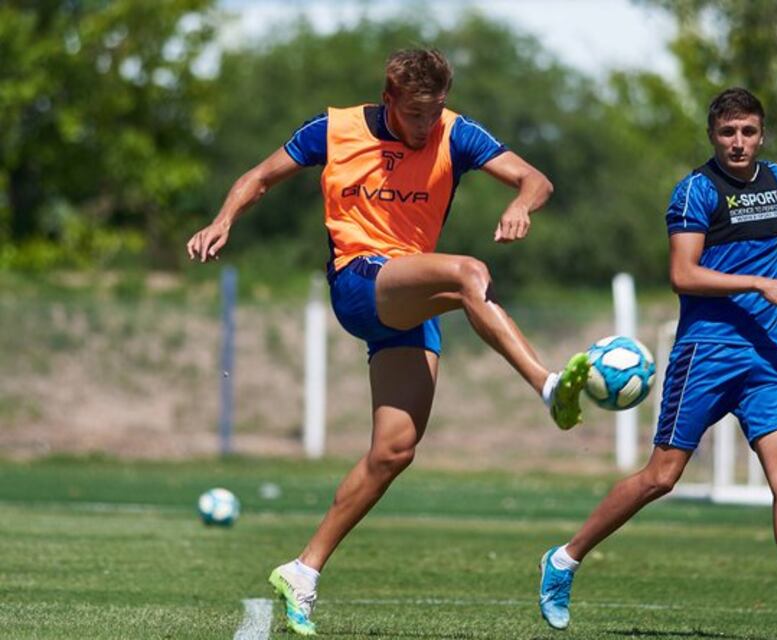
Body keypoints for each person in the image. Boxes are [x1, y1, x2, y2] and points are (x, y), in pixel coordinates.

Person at [186, 48, 590, 636]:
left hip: (410, 296)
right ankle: (549, 386)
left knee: (395, 450)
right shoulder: (336, 128)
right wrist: (223, 219)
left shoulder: (457, 134)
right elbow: (259, 177)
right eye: (417, 113)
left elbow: (536, 179)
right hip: (359, 281)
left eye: (436, 112)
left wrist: (521, 204)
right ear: (389, 98)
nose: (427, 125)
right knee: (468, 273)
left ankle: (302, 569)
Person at [537, 88, 777, 640]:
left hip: (763, 355)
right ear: (713, 135)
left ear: (762, 134)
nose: (739, 143)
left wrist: (764, 289)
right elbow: (683, 276)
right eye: (728, 132)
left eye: (749, 132)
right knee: (661, 476)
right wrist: (760, 283)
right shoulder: (695, 191)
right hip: (704, 354)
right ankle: (563, 560)